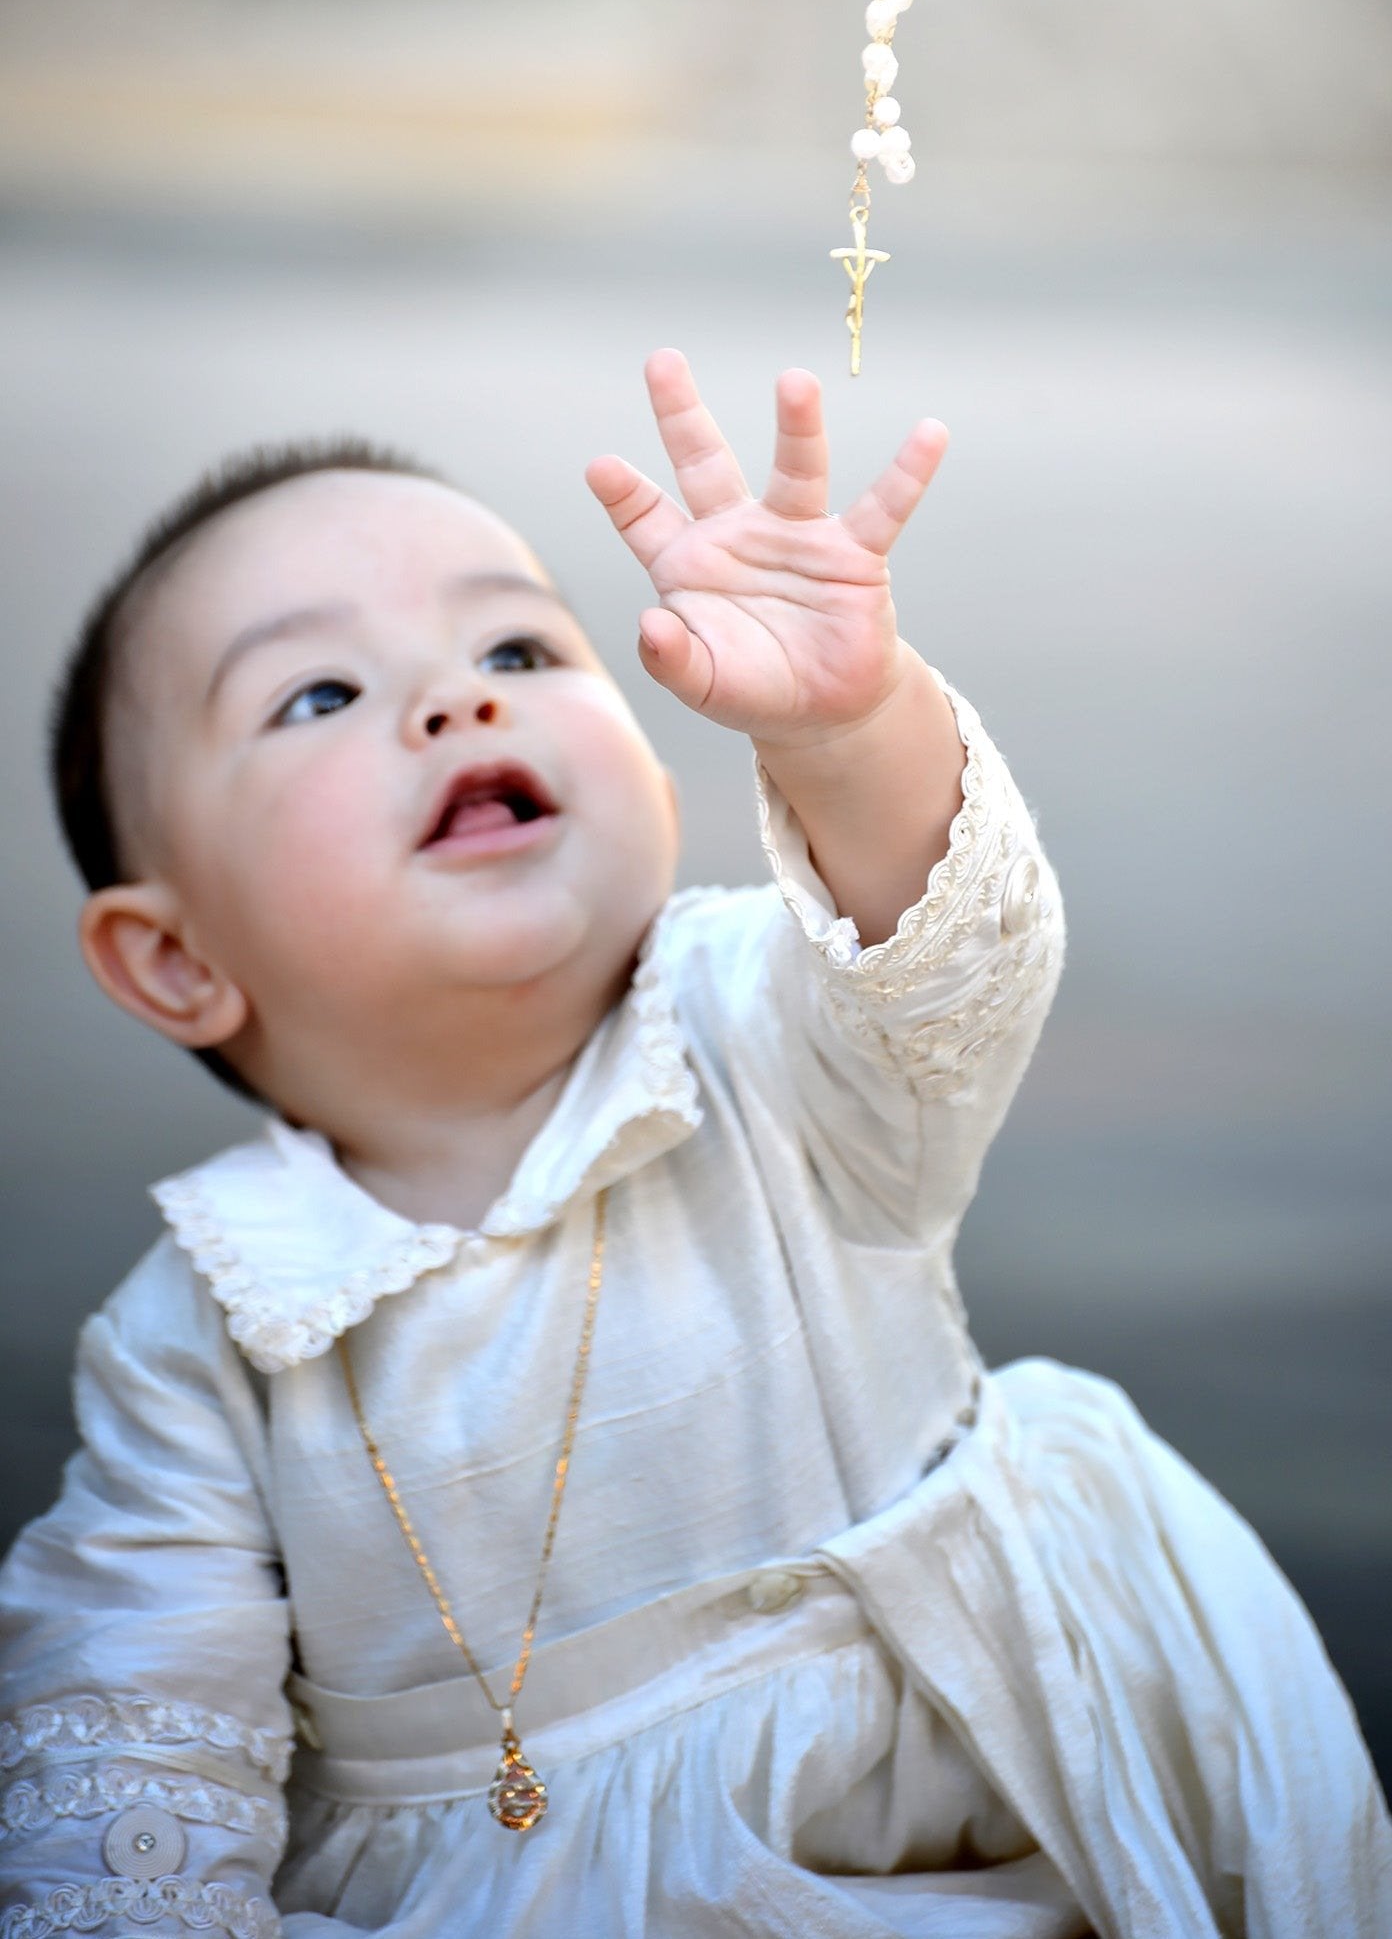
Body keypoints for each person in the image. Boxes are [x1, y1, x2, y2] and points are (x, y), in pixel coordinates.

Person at [0, 351, 1385, 1939]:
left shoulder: (755, 1031)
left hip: (1000, 1854)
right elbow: (126, 1752)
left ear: (655, 773)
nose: (462, 698)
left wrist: (851, 727)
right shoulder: (210, 1336)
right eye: (318, 694)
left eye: (518, 642)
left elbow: (951, 968)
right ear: (177, 959)